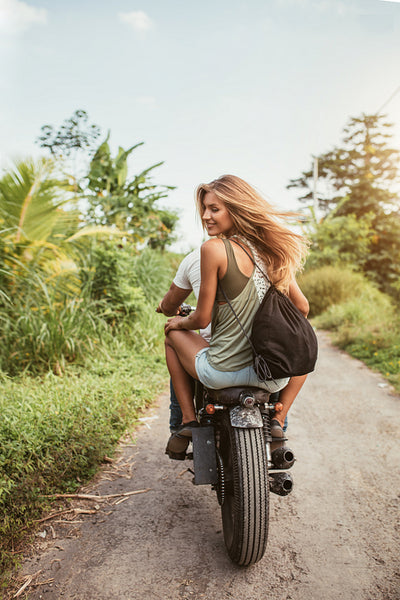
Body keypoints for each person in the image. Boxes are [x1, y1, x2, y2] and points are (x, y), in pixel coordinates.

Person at [163, 174, 310, 455]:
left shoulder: (214, 249)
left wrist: (178, 322)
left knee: (172, 335)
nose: (206, 216)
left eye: (214, 209)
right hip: (272, 377)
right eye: (204, 209)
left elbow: (202, 319)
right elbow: (302, 308)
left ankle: (187, 420)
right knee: (302, 350)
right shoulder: (273, 251)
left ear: (237, 209)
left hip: (221, 373)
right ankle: (278, 420)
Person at [156, 248, 211, 432]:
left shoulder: (199, 257)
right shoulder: (267, 255)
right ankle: (278, 424)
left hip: (217, 356)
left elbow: (201, 318)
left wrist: (169, 312)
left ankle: (183, 423)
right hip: (259, 356)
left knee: (173, 335)